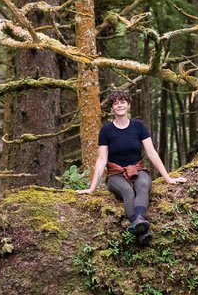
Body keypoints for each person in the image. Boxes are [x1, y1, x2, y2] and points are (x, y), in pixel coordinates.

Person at [77, 90, 186, 244]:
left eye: (122, 102)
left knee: (142, 185)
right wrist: (91, 188)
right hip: (116, 175)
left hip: (138, 170)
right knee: (128, 191)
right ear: (112, 108)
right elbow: (102, 160)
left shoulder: (138, 126)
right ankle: (141, 226)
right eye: (115, 103)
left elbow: (152, 153)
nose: (119, 105)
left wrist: (168, 179)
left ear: (128, 105)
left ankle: (139, 224)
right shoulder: (106, 131)